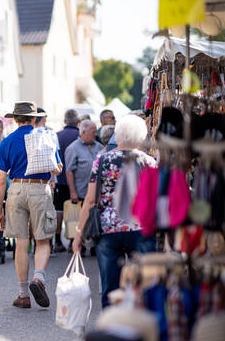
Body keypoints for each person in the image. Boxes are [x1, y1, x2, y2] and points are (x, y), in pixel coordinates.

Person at [72, 115, 157, 308]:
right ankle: (142, 329)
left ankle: (111, 329)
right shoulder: (149, 162)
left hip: (109, 230)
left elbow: (91, 199)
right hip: (141, 229)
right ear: (141, 137)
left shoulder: (102, 161)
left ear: (117, 136)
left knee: (111, 288)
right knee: (145, 285)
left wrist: (78, 235)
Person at [0, 102, 62, 309]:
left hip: (15, 189)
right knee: (42, 240)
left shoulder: (7, 142)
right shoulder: (45, 137)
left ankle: (23, 295)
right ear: (34, 118)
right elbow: (58, 169)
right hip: (39, 189)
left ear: (15, 119)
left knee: (21, 244)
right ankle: (38, 278)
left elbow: (0, 178)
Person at [53, 109, 80, 253]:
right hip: (76, 180)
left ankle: (57, 240)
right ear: (78, 120)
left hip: (59, 177)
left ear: (65, 120)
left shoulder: (57, 136)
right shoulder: (80, 136)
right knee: (75, 210)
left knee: (59, 210)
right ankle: (72, 241)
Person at [65, 120, 104, 204]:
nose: (96, 134)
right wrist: (73, 192)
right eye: (93, 132)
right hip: (81, 193)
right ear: (83, 132)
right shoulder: (73, 148)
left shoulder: (99, 147)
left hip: (98, 193)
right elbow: (69, 172)